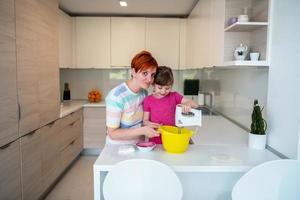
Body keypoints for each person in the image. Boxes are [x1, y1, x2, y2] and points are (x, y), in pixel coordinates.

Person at [105, 50, 160, 144]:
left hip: (139, 145)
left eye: (152, 74)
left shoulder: (143, 93)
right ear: (133, 72)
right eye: (145, 73)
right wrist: (142, 131)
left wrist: (147, 123)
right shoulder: (116, 96)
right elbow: (112, 133)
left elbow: (140, 121)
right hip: (118, 148)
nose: (150, 79)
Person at [143, 66, 199, 144]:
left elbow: (195, 104)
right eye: (160, 88)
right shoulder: (148, 100)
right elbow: (145, 121)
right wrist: (150, 124)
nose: (163, 91)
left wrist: (187, 104)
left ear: (171, 85)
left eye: (167, 88)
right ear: (153, 84)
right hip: (156, 139)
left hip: (173, 138)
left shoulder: (174, 96)